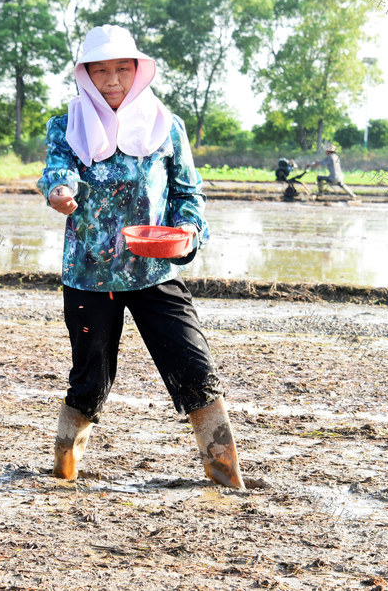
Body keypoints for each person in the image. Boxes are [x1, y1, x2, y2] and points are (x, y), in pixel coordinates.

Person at [36, 24, 245, 490]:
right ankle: (63, 474)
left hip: (156, 272)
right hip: (90, 276)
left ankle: (226, 477)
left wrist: (188, 231)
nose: (112, 80)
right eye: (101, 71)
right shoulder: (66, 125)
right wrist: (60, 191)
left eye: (121, 70)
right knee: (89, 381)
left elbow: (188, 195)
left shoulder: (167, 126)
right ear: (86, 76)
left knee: (196, 371)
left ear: (138, 72)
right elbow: (57, 171)